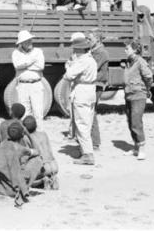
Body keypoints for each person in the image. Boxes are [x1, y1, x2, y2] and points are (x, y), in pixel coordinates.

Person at [63, 34, 97, 165]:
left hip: (82, 90)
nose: (74, 50)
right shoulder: (91, 59)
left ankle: (88, 154)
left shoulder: (82, 60)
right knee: (87, 123)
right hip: (90, 90)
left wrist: (69, 65)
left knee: (81, 123)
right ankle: (85, 149)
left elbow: (69, 75)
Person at [0, 122, 39, 207]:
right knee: (37, 160)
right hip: (12, 190)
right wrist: (29, 135)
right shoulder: (21, 149)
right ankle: (25, 187)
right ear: (22, 135)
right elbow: (37, 151)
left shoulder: (2, 145)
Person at [123, 41, 153, 160]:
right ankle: (136, 148)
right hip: (129, 94)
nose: (125, 51)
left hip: (138, 95)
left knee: (136, 122)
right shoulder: (129, 62)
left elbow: (148, 77)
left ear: (135, 50)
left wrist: (146, 88)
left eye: (127, 49)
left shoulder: (140, 62)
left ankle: (142, 150)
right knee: (130, 122)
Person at [12, 30, 45, 124]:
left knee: (38, 111)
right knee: (24, 112)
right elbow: (17, 65)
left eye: (30, 40)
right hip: (22, 85)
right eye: (26, 41)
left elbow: (40, 66)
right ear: (21, 43)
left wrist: (24, 65)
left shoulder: (38, 51)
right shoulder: (16, 53)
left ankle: (39, 134)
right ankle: (26, 135)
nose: (29, 42)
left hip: (36, 84)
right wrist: (31, 62)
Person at [86, 29, 109, 151]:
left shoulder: (101, 52)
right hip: (93, 83)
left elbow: (92, 67)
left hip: (97, 84)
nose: (88, 41)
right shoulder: (94, 51)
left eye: (90, 39)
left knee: (91, 111)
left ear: (98, 39)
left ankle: (95, 142)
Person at [22, 116, 59, 190]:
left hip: (42, 168)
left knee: (24, 180)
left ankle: (42, 180)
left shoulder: (26, 138)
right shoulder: (43, 134)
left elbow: (26, 156)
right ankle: (53, 177)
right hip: (54, 165)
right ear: (36, 125)